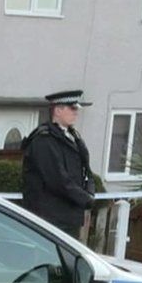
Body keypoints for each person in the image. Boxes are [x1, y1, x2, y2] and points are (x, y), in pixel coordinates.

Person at [21, 90, 96, 238]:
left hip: (68, 216)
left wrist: (90, 190)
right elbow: (57, 179)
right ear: (58, 110)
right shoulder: (44, 140)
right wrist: (85, 199)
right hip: (50, 217)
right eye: (72, 108)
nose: (76, 113)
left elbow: (85, 170)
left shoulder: (72, 136)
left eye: (76, 109)